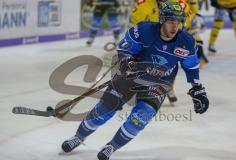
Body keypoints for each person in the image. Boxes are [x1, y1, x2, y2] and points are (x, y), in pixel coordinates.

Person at [61, 2, 209, 160]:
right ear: (162, 20)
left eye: (179, 22)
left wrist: (197, 88)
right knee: (105, 108)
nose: (175, 27)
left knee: (141, 117)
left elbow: (191, 67)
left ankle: (112, 146)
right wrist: (127, 63)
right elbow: (125, 50)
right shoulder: (143, 30)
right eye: (171, 22)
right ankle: (79, 136)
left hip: (159, 82)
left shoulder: (187, 41)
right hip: (131, 75)